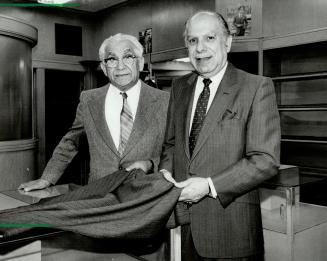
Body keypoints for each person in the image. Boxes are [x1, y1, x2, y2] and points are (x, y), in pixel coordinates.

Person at [159, 11, 280, 261]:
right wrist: (165, 173)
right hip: (188, 229)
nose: (200, 48)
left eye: (209, 38)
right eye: (193, 41)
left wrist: (209, 186)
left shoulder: (256, 87)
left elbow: (265, 161)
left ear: (227, 42)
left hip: (233, 234)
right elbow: (171, 145)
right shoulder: (180, 88)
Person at [19, 33, 169, 193]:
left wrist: (150, 164)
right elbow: (71, 142)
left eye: (128, 57)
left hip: (147, 195)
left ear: (140, 63)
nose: (120, 66)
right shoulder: (89, 100)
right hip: (99, 195)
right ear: (104, 68)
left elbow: (175, 150)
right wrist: (47, 178)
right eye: (112, 59)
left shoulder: (165, 101)